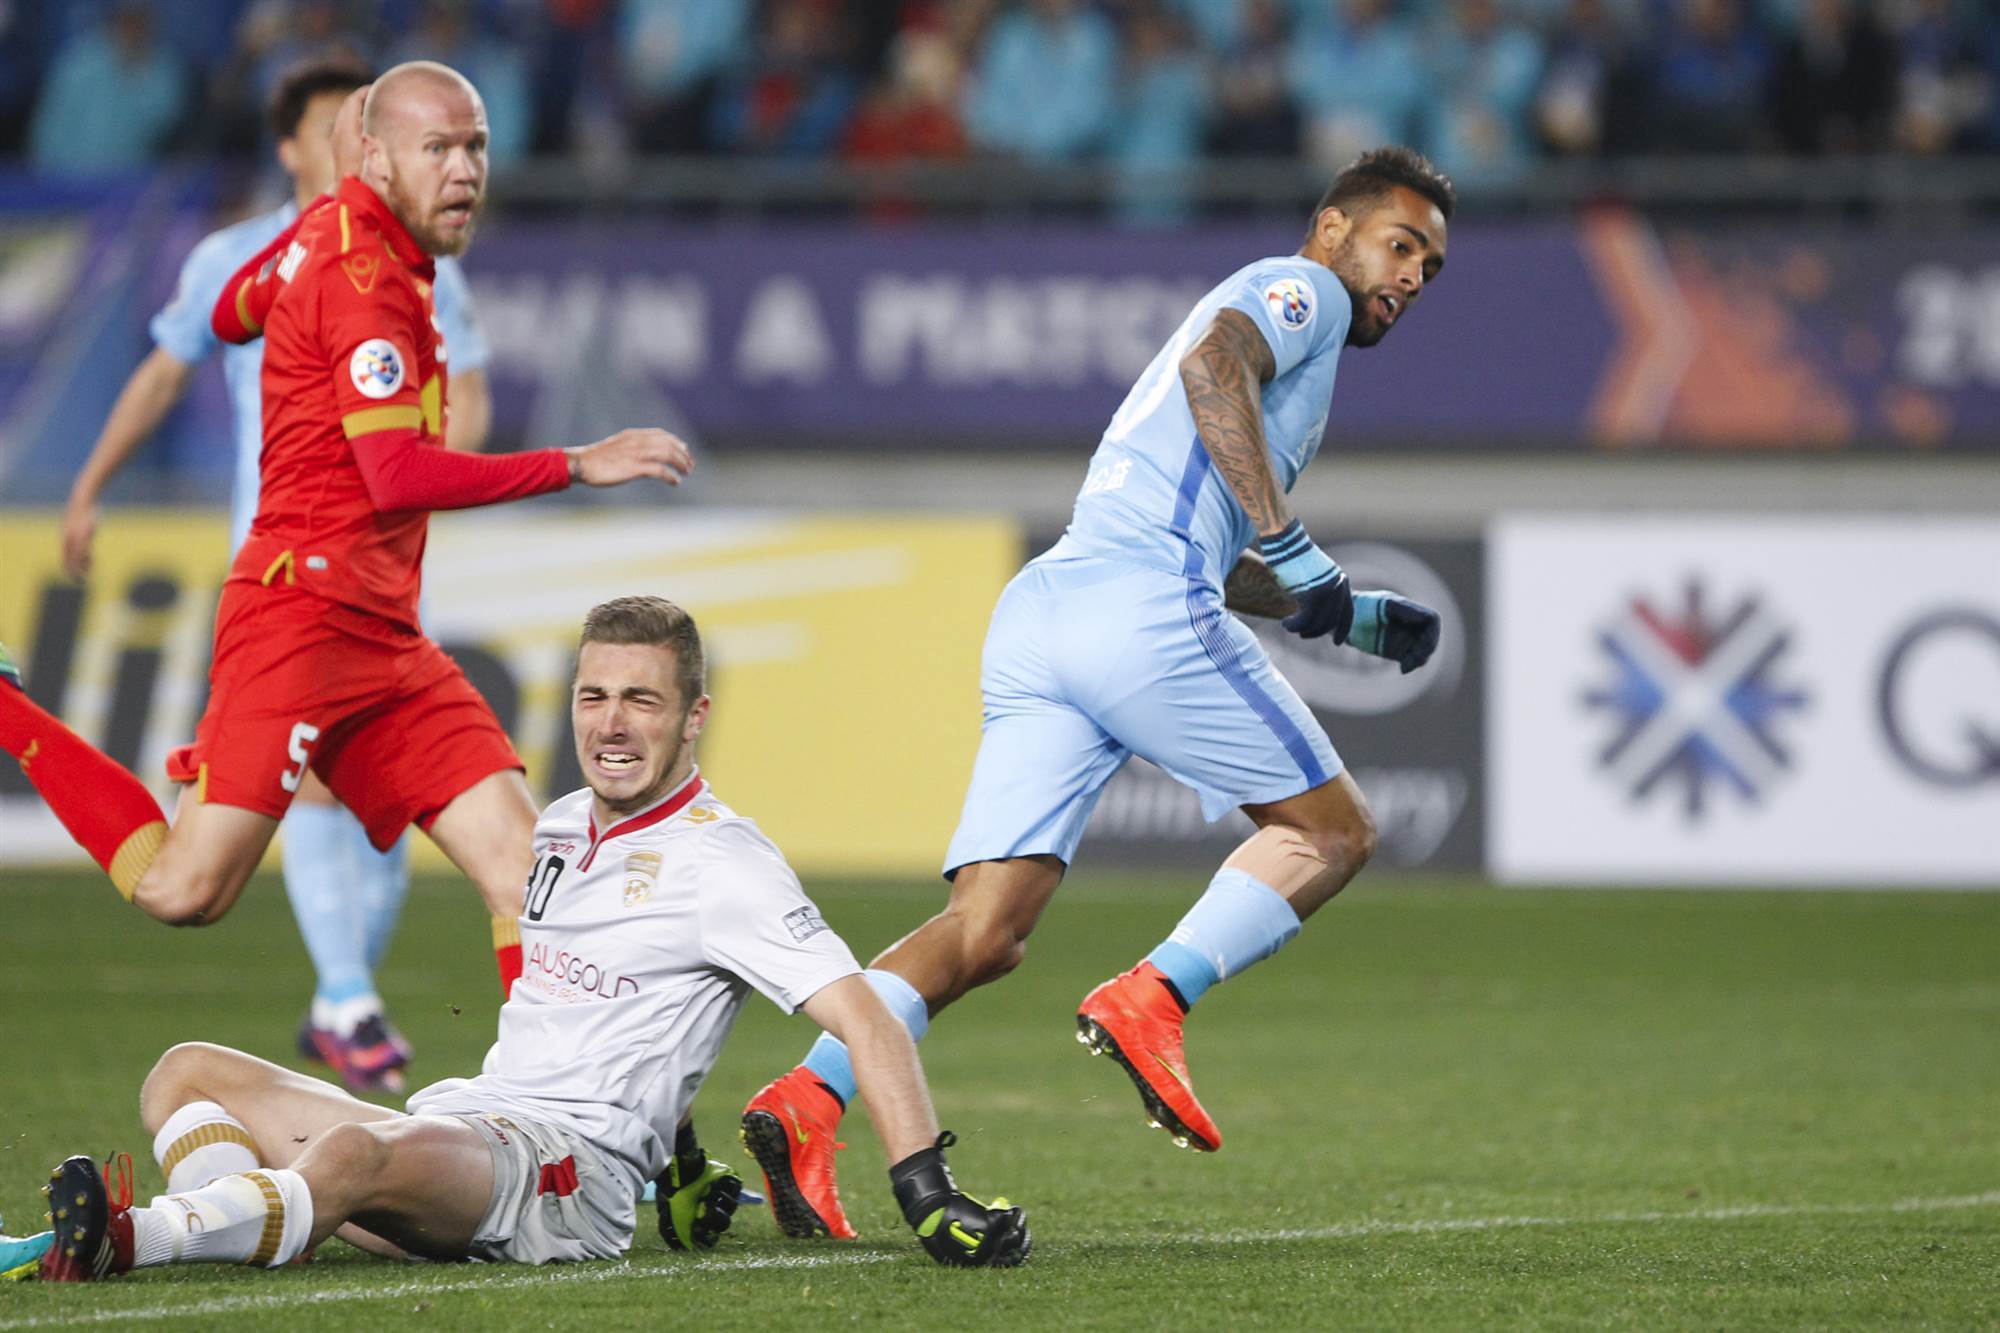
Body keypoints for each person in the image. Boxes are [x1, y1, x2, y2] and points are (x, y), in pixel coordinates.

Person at [740, 146, 1453, 1238]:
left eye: (1429, 268)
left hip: (1050, 608)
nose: (1410, 276)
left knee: (983, 930)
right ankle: (1154, 995)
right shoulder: (1299, 290)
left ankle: (807, 1097)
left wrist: (1344, 611)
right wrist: (1293, 542)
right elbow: (1213, 370)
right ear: (1330, 230)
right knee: (1332, 832)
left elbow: (1198, 522)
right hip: (1137, 607)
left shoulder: (1287, 333)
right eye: (1399, 246)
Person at [34, 596, 1028, 1279]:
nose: (612, 723)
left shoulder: (724, 861)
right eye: (595, 696)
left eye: (642, 699)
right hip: (469, 1123)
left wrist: (926, 1193)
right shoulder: (556, 825)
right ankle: (253, 1218)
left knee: (350, 1152)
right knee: (185, 1072)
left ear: (693, 717)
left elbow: (865, 1014)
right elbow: (621, 1004)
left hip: (565, 1175)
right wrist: (684, 1164)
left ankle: (133, 1238)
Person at [0, 62, 692, 1002]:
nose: (465, 171)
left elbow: (232, 311)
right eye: (437, 149)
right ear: (379, 160)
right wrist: (575, 462)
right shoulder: (365, 283)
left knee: (530, 874)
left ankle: (556, 1093)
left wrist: (314, 225)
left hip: (381, 634)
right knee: (182, 889)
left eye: (476, 147)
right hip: (297, 619)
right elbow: (396, 474)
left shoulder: (335, 234)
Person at [59, 59, 495, 1096]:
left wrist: (427, 488)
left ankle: (348, 990)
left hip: (386, 569)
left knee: (399, 802)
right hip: (286, 570)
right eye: (338, 127)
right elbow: (170, 364)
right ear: (297, 146)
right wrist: (91, 482)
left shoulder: (426, 253)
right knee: (294, 812)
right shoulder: (244, 254)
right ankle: (345, 994)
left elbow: (467, 396)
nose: (358, 147)